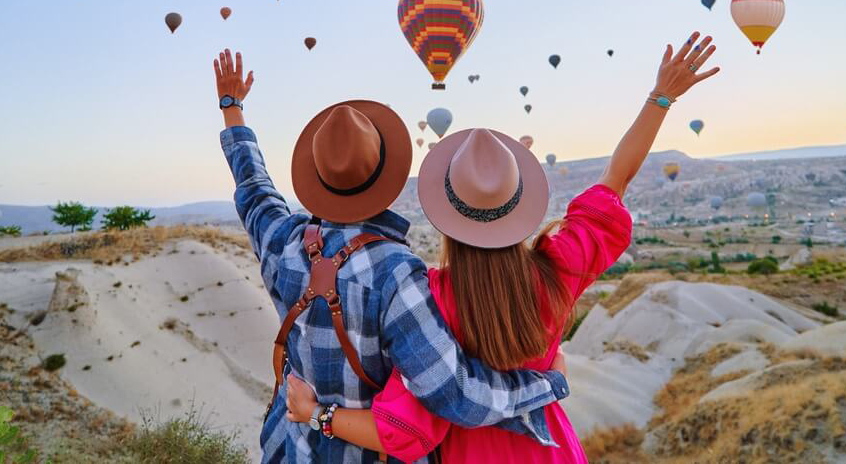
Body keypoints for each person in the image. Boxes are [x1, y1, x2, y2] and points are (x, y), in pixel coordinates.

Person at [284, 32, 721, 462]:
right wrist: (660, 98)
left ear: (447, 221)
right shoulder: (560, 267)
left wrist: (316, 413)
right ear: (520, 209)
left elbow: (403, 431)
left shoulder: (429, 296)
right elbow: (616, 181)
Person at [213, 49, 571, 464]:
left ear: (317, 176)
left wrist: (231, 108)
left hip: (292, 449)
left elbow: (254, 188)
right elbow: (455, 393)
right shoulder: (397, 272)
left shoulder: (280, 239)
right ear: (387, 176)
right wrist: (550, 385)